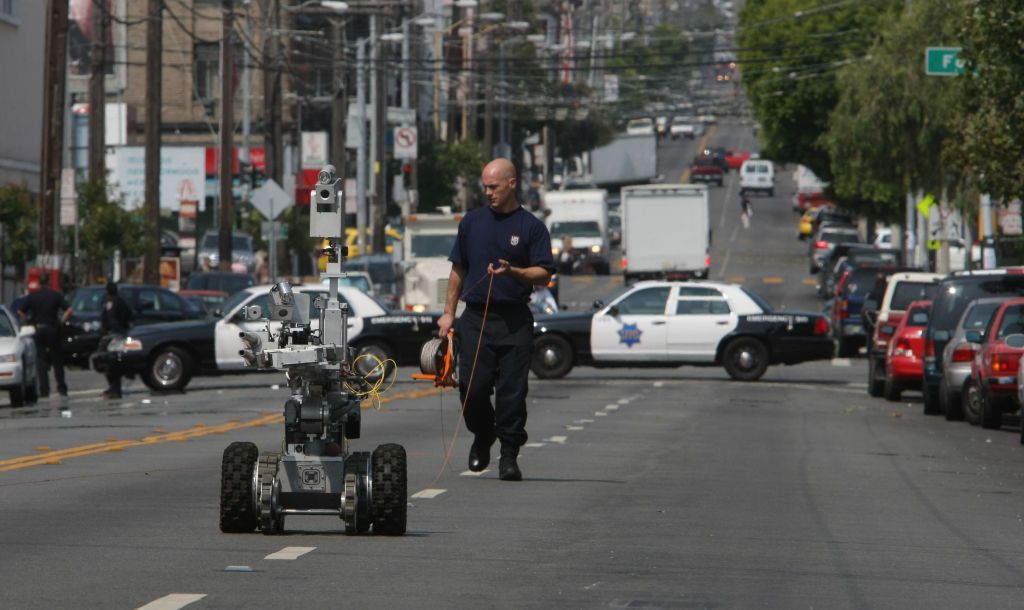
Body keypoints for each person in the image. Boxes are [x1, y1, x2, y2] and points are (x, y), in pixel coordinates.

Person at [437, 158, 555, 482]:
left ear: (512, 184)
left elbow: (544, 274)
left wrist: (514, 271)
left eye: (494, 187)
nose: (488, 193)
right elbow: (457, 270)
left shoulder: (530, 227)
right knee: (472, 390)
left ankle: (508, 454)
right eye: (485, 187)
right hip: (475, 318)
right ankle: (483, 434)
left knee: (511, 392)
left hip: (514, 318)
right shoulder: (472, 223)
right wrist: (449, 312)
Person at [17, 273, 73, 398]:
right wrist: (61, 321)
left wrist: (28, 321)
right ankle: (61, 387)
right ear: (48, 282)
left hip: (39, 329)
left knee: (41, 361)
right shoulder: (55, 295)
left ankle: (44, 390)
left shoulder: (33, 296)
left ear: (39, 283)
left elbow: (20, 311)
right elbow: (69, 310)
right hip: (52, 329)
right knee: (57, 360)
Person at [97, 281, 133, 399]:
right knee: (115, 363)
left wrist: (106, 330)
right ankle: (114, 388)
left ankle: (115, 389)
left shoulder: (110, 302)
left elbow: (108, 318)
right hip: (120, 333)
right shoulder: (121, 301)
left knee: (109, 364)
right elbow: (130, 314)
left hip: (112, 335)